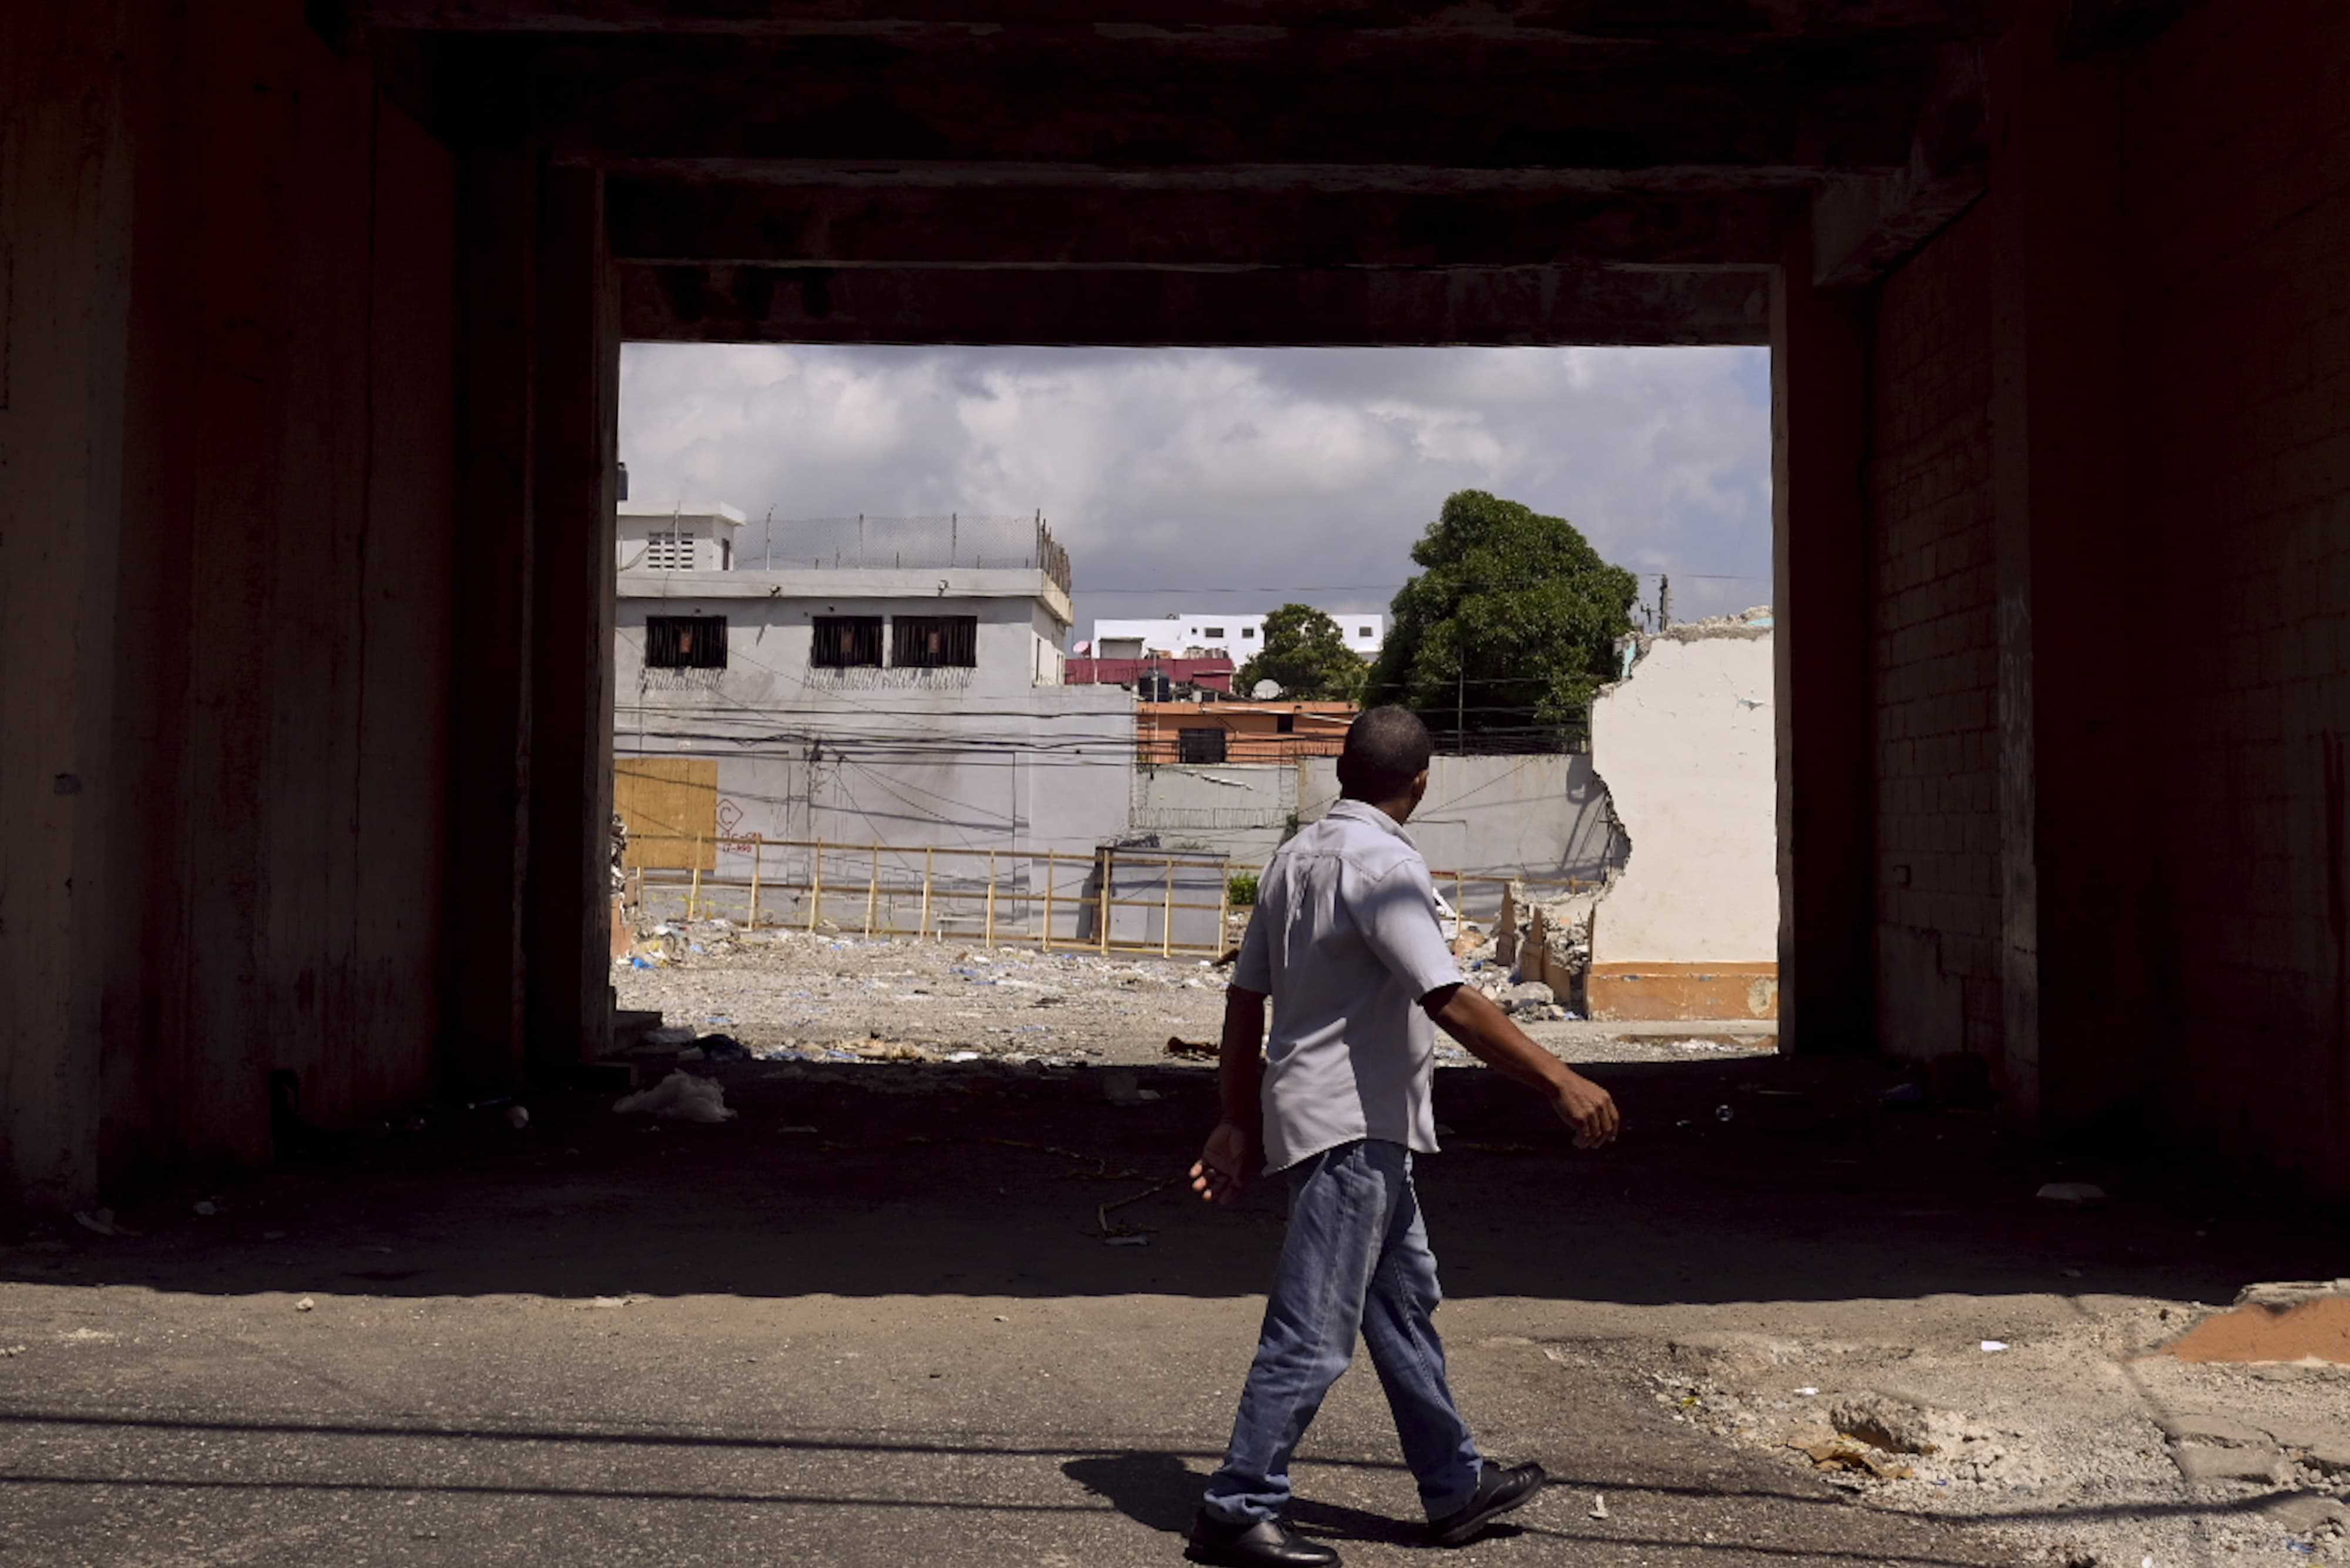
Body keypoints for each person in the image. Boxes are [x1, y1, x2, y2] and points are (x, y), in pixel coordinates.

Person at [1184, 706, 1620, 1568]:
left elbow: (1245, 1000)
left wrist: (1237, 1117)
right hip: (1354, 1127)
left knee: (1402, 1303)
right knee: (1312, 1330)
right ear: (1421, 782)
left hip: (1342, 1123)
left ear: (1343, 767)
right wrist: (1560, 1080)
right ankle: (1238, 1505)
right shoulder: (1383, 862)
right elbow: (1446, 995)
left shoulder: (1295, 857)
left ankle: (1454, 1483)